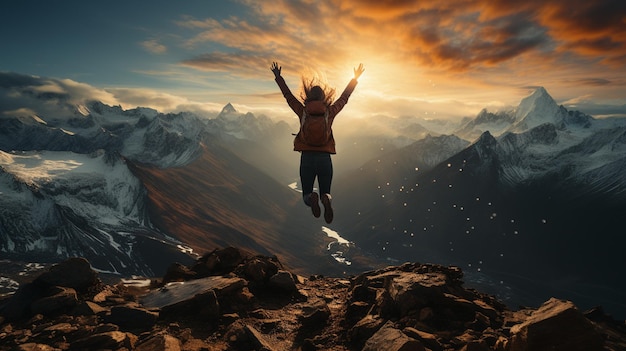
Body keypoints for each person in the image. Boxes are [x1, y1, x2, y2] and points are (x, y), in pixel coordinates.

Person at [271, 61, 365, 223]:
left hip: (307, 158)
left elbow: (288, 96)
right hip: (325, 159)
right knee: (326, 190)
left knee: (306, 193)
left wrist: (279, 77)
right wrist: (354, 78)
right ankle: (325, 199)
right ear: (324, 98)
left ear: (308, 96)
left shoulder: (302, 111)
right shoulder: (330, 112)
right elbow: (344, 97)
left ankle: (311, 197)